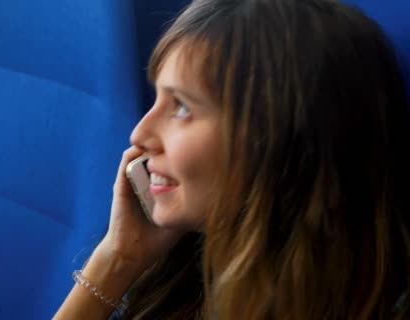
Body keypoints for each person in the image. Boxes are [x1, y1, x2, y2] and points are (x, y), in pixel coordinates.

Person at [54, 0, 410, 318]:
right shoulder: (185, 281)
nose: (139, 135)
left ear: (282, 141)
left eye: (181, 107)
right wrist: (116, 261)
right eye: (156, 98)